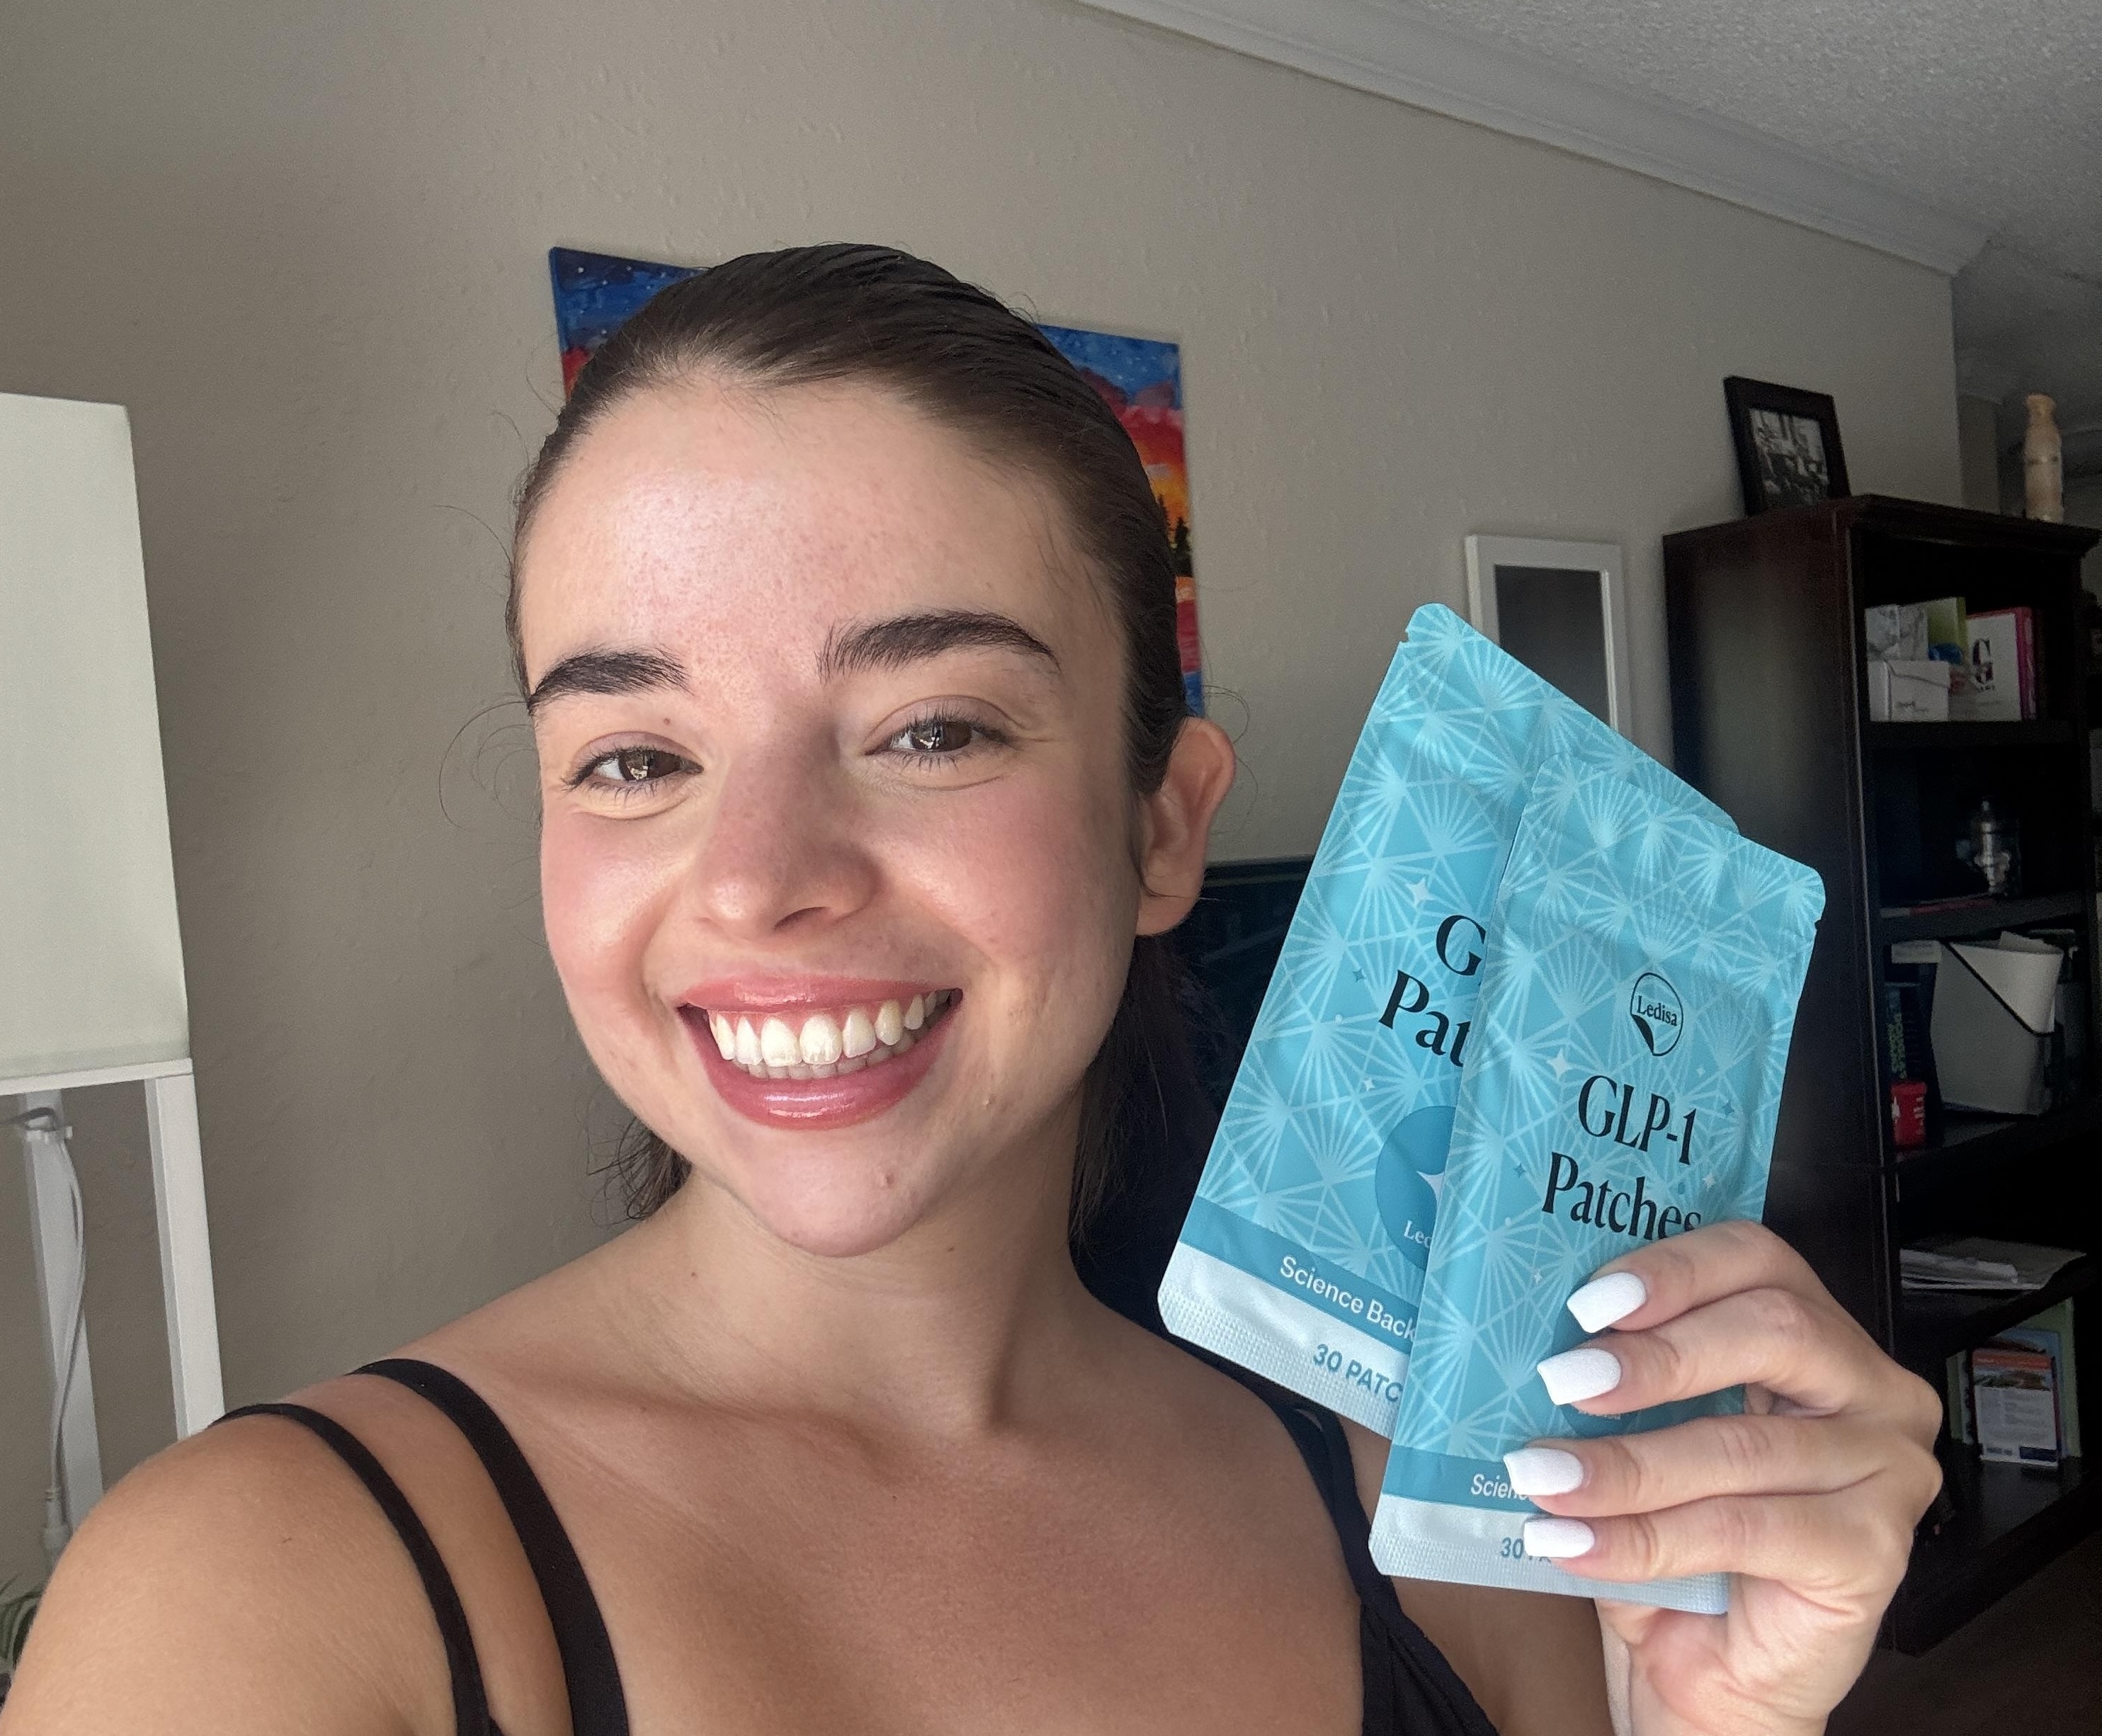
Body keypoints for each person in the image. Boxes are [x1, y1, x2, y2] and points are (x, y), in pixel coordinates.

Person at [1, 246, 1941, 1736]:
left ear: (1162, 828)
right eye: (633, 756)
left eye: (930, 727)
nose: (757, 878)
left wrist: (1726, 1727)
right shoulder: (258, 1600)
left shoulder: (1438, 1524)